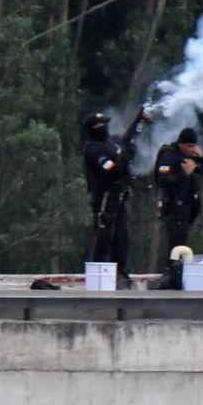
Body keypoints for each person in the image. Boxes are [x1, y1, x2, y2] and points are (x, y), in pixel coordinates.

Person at [82, 112, 133, 288]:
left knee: (122, 238)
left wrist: (128, 154)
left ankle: (120, 273)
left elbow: (122, 168)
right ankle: (100, 278)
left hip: (118, 197)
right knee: (104, 238)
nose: (105, 129)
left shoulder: (111, 144)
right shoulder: (93, 149)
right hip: (103, 198)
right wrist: (124, 158)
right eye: (100, 126)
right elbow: (111, 170)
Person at [154, 128, 203, 266]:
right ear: (181, 144)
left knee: (183, 241)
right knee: (175, 244)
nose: (191, 149)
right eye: (189, 146)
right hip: (174, 205)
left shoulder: (191, 156)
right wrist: (184, 173)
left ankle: (178, 271)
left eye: (193, 146)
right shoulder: (169, 155)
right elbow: (162, 181)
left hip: (188, 206)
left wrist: (201, 160)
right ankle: (171, 272)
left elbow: (199, 177)